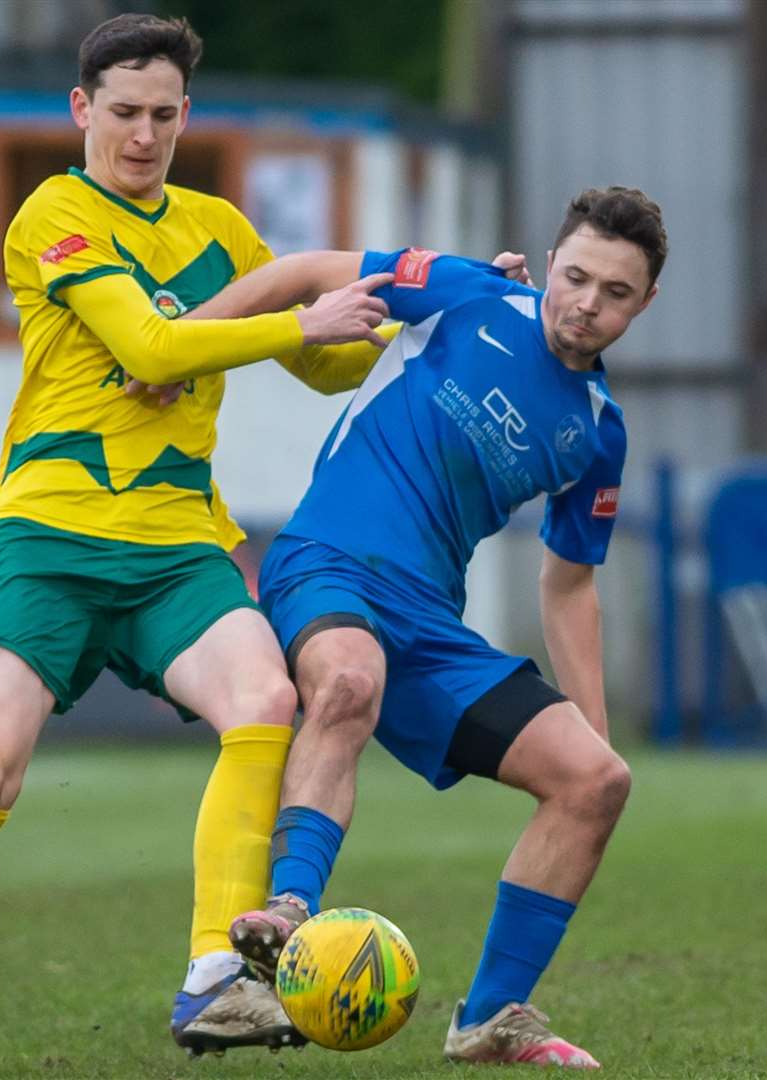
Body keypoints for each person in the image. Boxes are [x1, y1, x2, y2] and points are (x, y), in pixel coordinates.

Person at [0, 14, 393, 1078]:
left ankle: (213, 981)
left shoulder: (219, 227)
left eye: (164, 115)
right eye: (125, 113)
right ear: (81, 110)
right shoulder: (51, 213)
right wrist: (294, 320)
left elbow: (323, 368)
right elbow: (151, 342)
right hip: (48, 538)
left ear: (186, 116)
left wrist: (398, 310)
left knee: (265, 702)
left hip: (175, 543)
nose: (143, 136)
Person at [214, 187, 666, 1067]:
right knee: (346, 682)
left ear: (644, 303)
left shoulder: (598, 432)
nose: (587, 303)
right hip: (327, 562)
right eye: (575, 276)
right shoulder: (467, 292)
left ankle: (491, 1017)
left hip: (429, 623)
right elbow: (304, 272)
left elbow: (569, 585)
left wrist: (593, 730)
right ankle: (287, 919)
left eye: (615, 292)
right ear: (551, 262)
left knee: (596, 782)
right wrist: (179, 351)